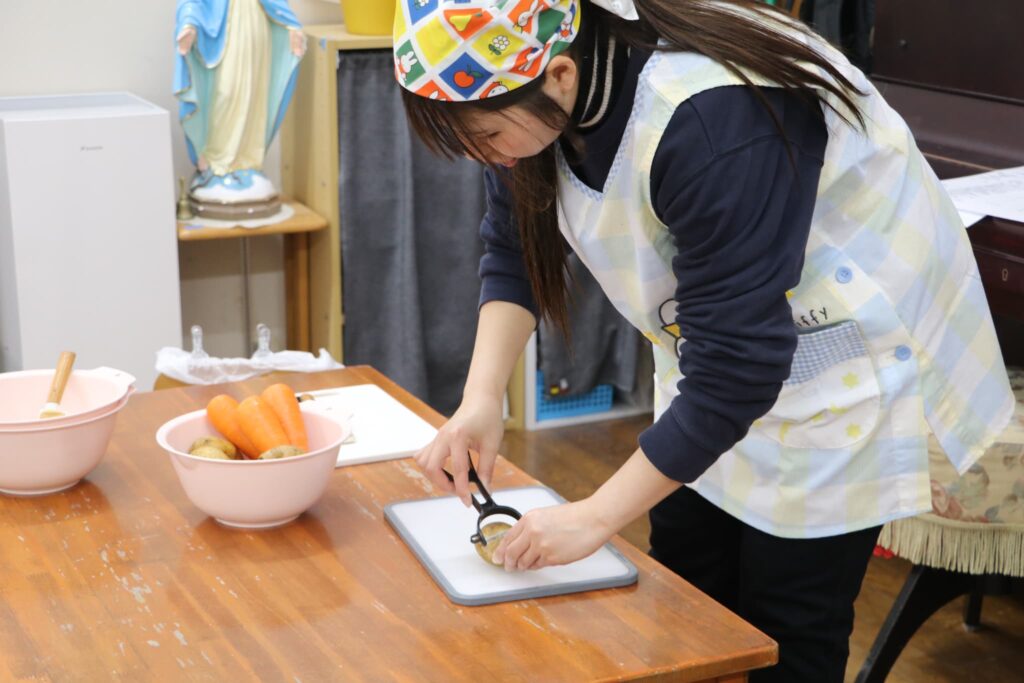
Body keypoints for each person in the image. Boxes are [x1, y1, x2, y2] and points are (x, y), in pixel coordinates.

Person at [394, 1, 1014, 680]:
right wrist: (482, 399)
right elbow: (515, 245)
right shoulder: (533, 96)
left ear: (560, 74)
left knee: (788, 627)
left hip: (839, 368)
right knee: (689, 599)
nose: (482, 156)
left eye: (485, 136)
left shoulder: (711, 116)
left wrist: (595, 517)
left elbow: (739, 369)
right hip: (719, 355)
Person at [173, 0, 305, 213]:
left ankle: (247, 162)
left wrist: (290, 24)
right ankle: (217, 161)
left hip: (256, 23)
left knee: (254, 97)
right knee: (226, 93)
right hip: (224, 31)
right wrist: (189, 23)